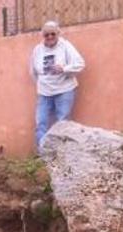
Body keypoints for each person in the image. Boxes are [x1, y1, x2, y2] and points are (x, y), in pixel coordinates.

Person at [30, 20, 85, 150]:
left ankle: (61, 153)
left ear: (58, 34)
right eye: (46, 35)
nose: (50, 37)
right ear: (43, 36)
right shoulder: (37, 50)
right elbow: (33, 72)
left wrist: (64, 68)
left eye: (52, 34)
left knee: (62, 123)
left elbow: (80, 64)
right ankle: (43, 154)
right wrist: (41, 84)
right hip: (44, 92)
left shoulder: (65, 46)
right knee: (41, 123)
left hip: (64, 90)